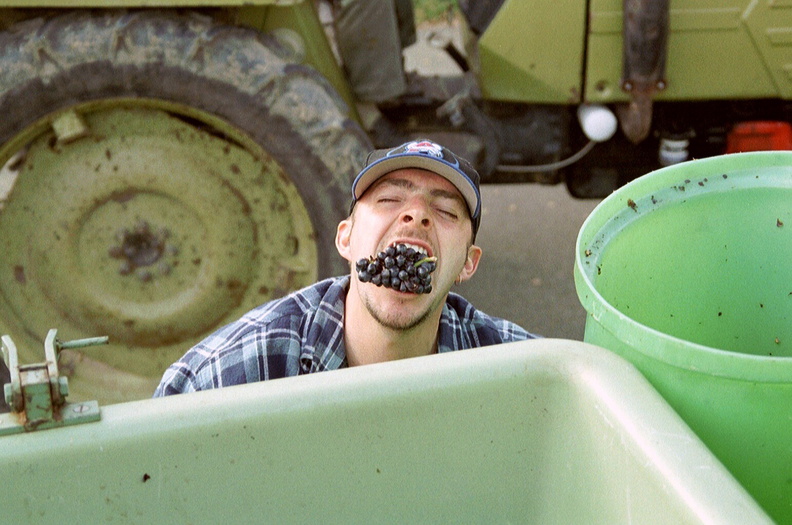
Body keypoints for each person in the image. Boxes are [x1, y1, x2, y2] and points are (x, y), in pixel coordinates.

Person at [154, 139, 536, 396]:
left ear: (468, 264)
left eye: (445, 211)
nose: (415, 214)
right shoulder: (233, 373)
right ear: (345, 239)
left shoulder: (522, 372)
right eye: (388, 199)